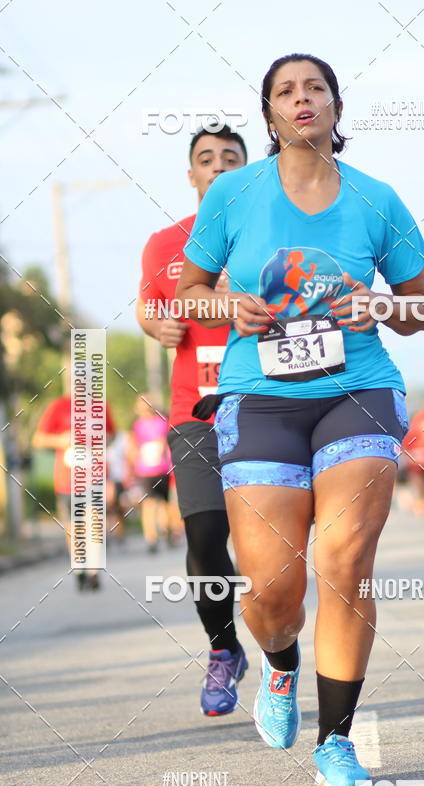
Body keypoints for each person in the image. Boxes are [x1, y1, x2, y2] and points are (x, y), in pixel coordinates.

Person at [176, 53, 424, 786]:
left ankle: (337, 738)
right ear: (269, 115)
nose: (301, 98)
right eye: (285, 90)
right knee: (270, 590)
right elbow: (188, 293)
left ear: (334, 107)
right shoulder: (232, 194)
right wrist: (226, 305)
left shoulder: (377, 198)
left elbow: (421, 309)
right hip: (259, 396)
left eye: (315, 87)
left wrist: (381, 305)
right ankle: (280, 664)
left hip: (356, 390)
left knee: (346, 561)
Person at [136, 125, 249, 716]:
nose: (218, 166)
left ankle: (281, 643)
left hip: (267, 404)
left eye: (230, 157)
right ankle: (223, 648)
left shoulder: (270, 233)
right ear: (192, 175)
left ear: (249, 167)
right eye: (206, 158)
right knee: (206, 537)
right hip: (195, 411)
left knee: (265, 547)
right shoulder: (166, 243)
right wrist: (157, 327)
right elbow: (147, 307)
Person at [32, 392, 115, 589]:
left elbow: (112, 436)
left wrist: (98, 439)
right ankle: (80, 568)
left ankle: (94, 571)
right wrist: (61, 440)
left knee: (95, 520)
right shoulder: (58, 406)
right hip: (67, 478)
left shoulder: (100, 405)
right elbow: (38, 439)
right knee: (74, 525)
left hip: (95, 474)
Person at [128, 397, 172, 553]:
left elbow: (167, 440)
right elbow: (133, 445)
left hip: (162, 468)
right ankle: (151, 538)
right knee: (148, 504)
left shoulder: (161, 421)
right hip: (145, 470)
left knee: (162, 503)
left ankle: (166, 532)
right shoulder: (137, 426)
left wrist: (161, 447)